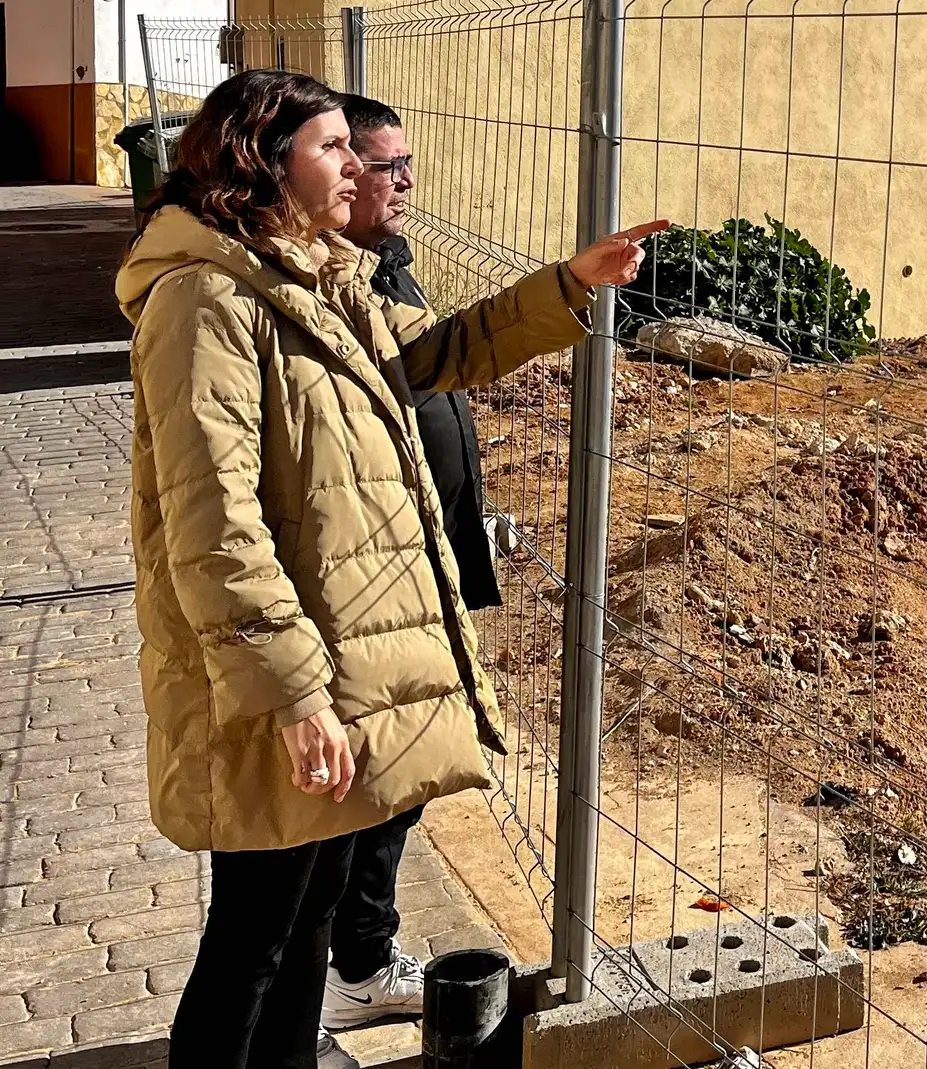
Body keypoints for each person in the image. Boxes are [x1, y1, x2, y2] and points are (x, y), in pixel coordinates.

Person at [116, 68, 665, 1069]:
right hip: (279, 681)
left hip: (337, 661)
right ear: (262, 163)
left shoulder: (318, 278)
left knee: (310, 917)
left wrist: (570, 286)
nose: (360, 167)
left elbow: (444, 348)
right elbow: (213, 523)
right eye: (335, 149)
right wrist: (294, 694)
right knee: (253, 934)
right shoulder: (204, 301)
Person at [302, 94, 473, 1041]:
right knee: (361, 793)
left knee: (397, 784)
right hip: (366, 586)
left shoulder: (382, 267)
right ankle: (349, 968)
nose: (403, 181)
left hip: (419, 563)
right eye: (376, 161)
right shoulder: (275, 294)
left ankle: (356, 960)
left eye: (407, 162)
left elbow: (442, 366)